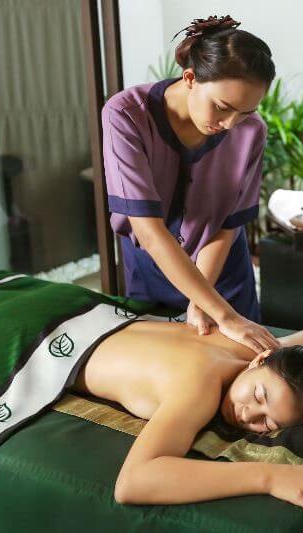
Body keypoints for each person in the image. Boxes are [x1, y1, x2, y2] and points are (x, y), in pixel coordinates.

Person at [70, 315, 303, 529]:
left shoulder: (261, 355)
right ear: (259, 361)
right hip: (58, 344)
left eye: (268, 422)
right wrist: (270, 476)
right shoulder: (202, 386)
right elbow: (133, 482)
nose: (248, 415)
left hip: (98, 321)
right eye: (257, 396)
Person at [102, 15, 278, 354]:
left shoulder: (250, 130)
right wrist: (221, 314)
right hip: (153, 268)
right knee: (159, 367)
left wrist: (209, 304)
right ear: (190, 78)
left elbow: (226, 226)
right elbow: (149, 232)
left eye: (245, 112)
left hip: (223, 272)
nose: (230, 124)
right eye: (222, 108)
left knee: (242, 371)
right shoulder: (125, 115)